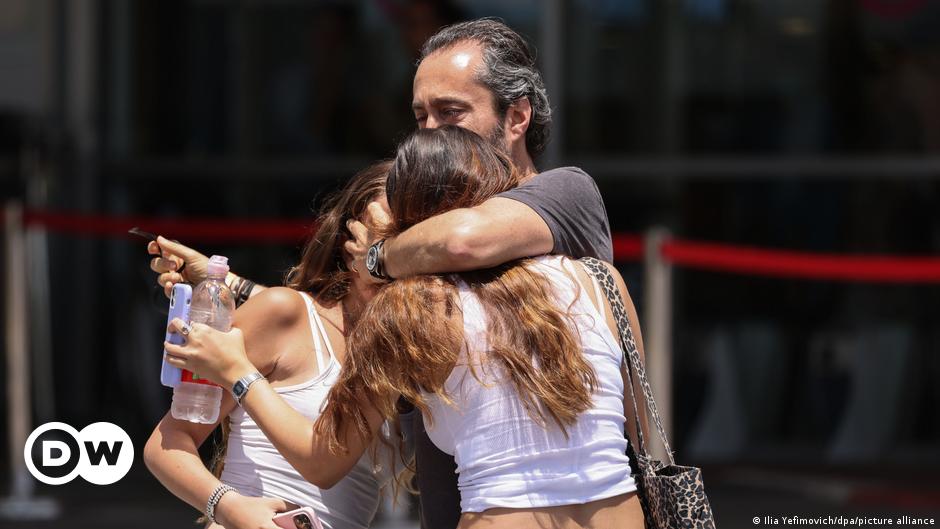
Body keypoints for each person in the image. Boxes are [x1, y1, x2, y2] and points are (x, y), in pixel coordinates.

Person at [149, 19, 613, 528]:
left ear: (517, 116)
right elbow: (342, 325)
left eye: (451, 113)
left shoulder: (564, 195)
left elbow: (456, 248)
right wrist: (237, 290)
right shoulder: (410, 309)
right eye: (421, 116)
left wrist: (378, 258)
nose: (433, 133)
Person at [144, 162, 403, 529]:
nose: (399, 252)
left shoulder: (409, 345)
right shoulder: (286, 313)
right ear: (350, 244)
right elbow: (167, 442)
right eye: (386, 235)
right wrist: (230, 507)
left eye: (412, 237)